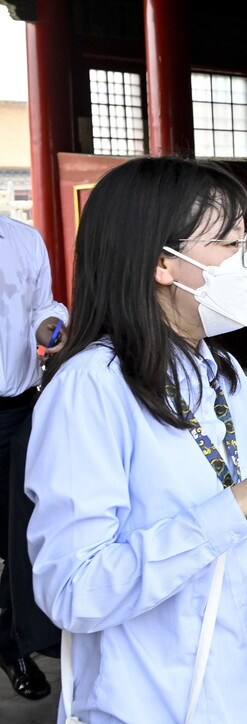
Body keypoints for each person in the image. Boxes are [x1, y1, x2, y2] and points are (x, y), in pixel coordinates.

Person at [24, 156, 247, 723]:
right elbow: (72, 588)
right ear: (161, 264)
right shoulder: (91, 389)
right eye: (228, 246)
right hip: (155, 705)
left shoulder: (224, 374)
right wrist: (236, 505)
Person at [0, 214, 66, 700]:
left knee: (23, 531)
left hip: (16, 409)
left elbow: (42, 309)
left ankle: (12, 638)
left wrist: (49, 323)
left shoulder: (23, 239)